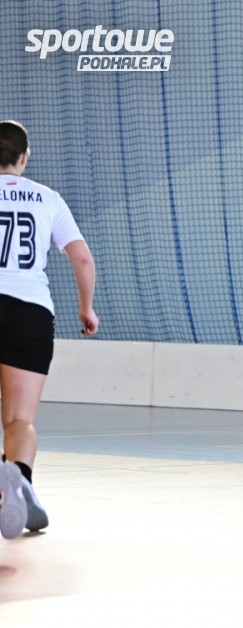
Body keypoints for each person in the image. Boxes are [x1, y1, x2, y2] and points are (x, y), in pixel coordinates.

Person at [0, 120, 99, 539]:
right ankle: (19, 477)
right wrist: (86, 308)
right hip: (30, 312)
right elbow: (82, 258)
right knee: (19, 419)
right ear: (24, 156)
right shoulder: (47, 198)